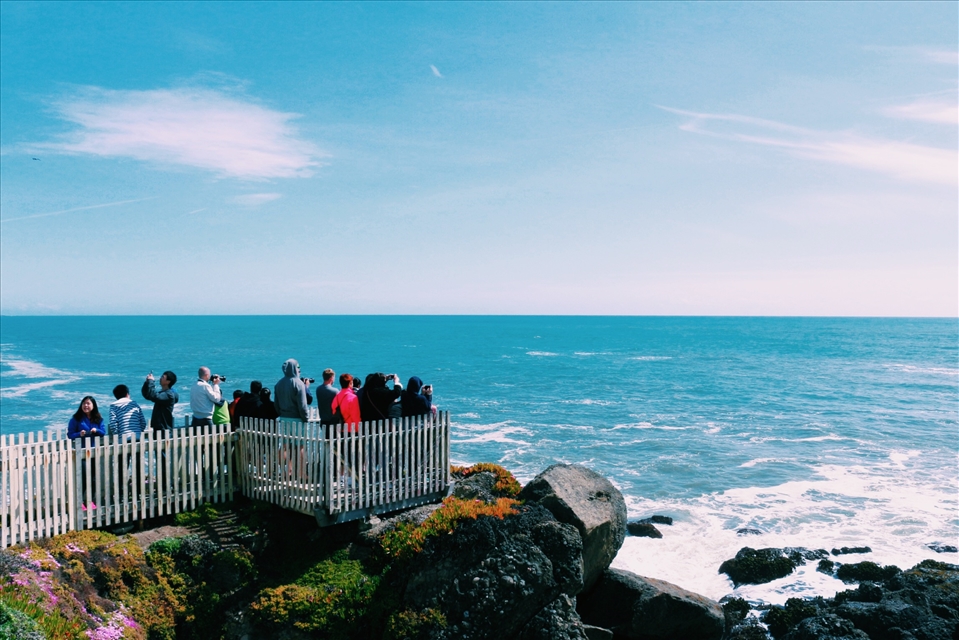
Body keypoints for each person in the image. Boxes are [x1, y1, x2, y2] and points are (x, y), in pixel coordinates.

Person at [68, 396, 105, 511]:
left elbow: (103, 432)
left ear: (93, 405)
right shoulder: (76, 418)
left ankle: (91, 501)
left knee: (93, 478)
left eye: (88, 403)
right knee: (83, 478)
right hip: (82, 453)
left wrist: (96, 431)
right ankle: (81, 502)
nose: (86, 406)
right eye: (84, 403)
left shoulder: (98, 419)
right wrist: (80, 434)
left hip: (94, 452)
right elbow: (70, 435)